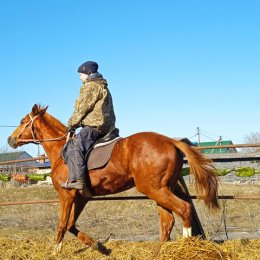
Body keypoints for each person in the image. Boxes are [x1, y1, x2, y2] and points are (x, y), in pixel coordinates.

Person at [62, 61, 116, 190]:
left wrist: (71, 124)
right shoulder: (102, 85)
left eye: (81, 74)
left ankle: (79, 181)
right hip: (107, 126)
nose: (80, 77)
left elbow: (82, 108)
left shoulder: (90, 86)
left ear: (88, 73)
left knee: (75, 146)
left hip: (95, 125)